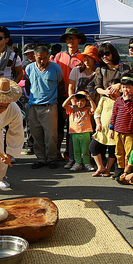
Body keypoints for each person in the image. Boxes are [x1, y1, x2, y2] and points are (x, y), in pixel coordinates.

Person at [25, 46, 64, 170]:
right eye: (39, 58)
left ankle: (51, 158)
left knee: (51, 135)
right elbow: (27, 84)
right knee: (36, 134)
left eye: (45, 58)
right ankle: (40, 158)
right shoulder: (29, 68)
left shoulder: (56, 68)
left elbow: (61, 85)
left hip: (50, 106)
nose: (42, 61)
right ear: (35, 56)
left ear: (49, 56)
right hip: (33, 106)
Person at [55, 28, 85, 160]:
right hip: (60, 95)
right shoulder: (59, 56)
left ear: (79, 40)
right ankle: (56, 151)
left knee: (73, 126)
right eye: (68, 38)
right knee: (59, 126)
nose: (71, 40)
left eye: (73, 38)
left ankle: (69, 152)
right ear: (65, 41)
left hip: (77, 97)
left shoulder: (83, 57)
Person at [108, 72, 133, 179]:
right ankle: (119, 168)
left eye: (128, 87)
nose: (125, 90)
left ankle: (128, 170)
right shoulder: (118, 100)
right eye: (123, 87)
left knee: (129, 152)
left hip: (129, 131)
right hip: (118, 129)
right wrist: (111, 128)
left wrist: (128, 101)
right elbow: (114, 114)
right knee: (118, 151)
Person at [91, 79, 121, 177]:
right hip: (102, 129)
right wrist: (98, 123)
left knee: (112, 150)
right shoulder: (104, 99)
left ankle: (108, 169)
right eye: (109, 89)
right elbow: (97, 112)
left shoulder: (121, 100)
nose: (111, 92)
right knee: (93, 146)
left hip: (114, 130)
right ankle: (100, 166)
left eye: (114, 90)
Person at [62, 91, 97, 172]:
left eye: (82, 101)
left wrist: (90, 99)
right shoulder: (71, 109)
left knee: (85, 149)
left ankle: (87, 163)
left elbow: (94, 109)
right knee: (76, 149)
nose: (79, 103)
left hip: (85, 132)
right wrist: (70, 97)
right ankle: (77, 163)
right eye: (78, 101)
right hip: (74, 132)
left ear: (86, 102)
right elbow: (63, 105)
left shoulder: (87, 109)